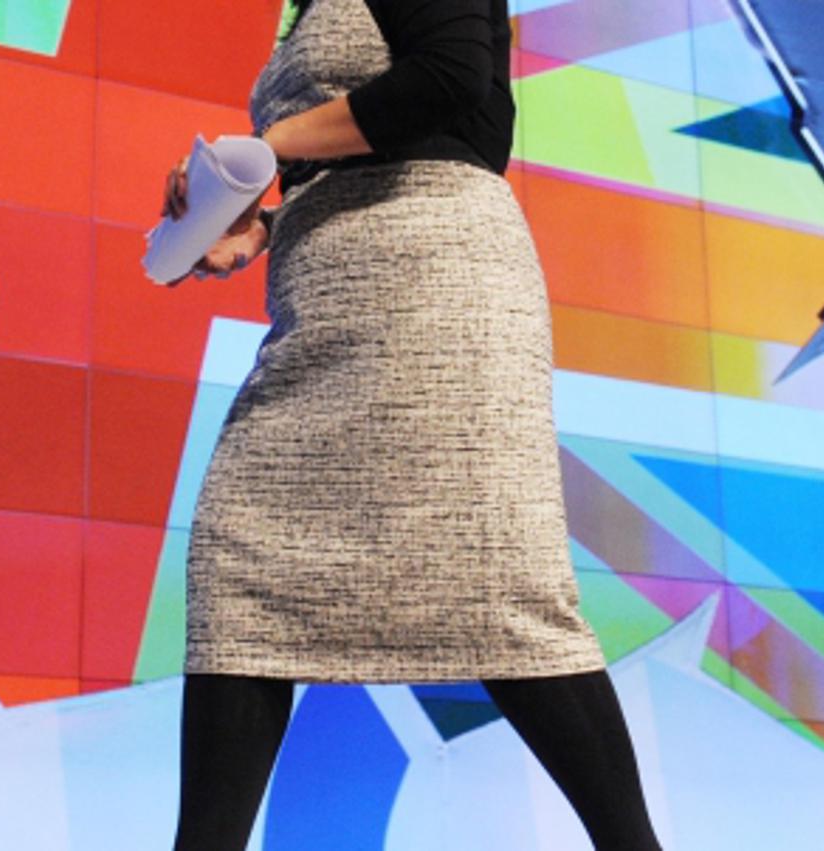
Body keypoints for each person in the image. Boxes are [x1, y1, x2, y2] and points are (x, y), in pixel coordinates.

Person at [159, 1, 664, 849]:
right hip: (321, 306)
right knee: (242, 572)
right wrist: (256, 229)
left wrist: (266, 150)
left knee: (496, 583)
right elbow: (357, 146)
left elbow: (447, 83)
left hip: (437, 289)